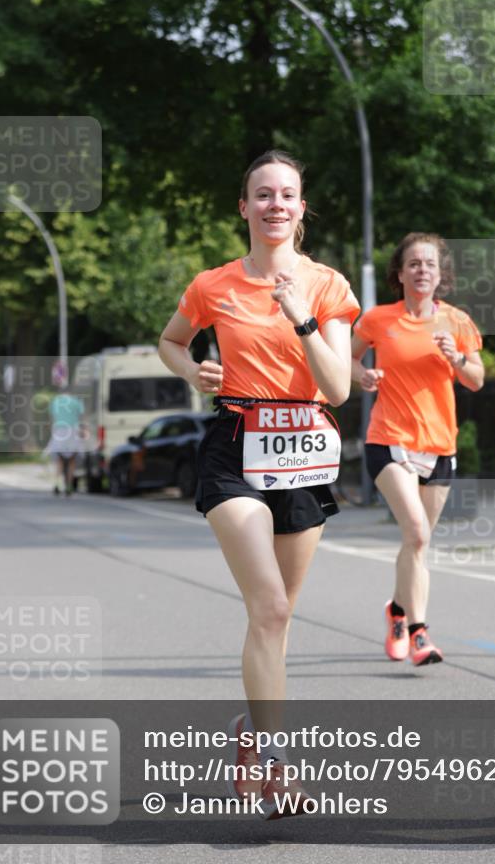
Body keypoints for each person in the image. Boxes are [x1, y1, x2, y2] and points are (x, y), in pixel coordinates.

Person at [158, 150, 360, 817]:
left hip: (304, 449)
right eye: (262, 194)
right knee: (269, 607)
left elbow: (336, 388)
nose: (276, 204)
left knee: (277, 617)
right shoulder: (213, 284)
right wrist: (192, 370)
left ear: (302, 208)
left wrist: (300, 315)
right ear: (243, 207)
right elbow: (171, 341)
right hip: (235, 447)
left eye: (288, 194)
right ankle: (278, 766)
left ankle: (251, 736)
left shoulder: (327, 284)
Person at [351, 233, 484, 666]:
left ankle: (396, 608)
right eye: (413, 263)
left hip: (440, 444)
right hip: (389, 439)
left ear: (440, 274)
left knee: (417, 544)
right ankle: (419, 633)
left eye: (429, 264)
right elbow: (346, 360)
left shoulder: (457, 323)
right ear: (400, 273)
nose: (422, 270)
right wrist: (362, 377)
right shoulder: (378, 320)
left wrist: (456, 359)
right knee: (417, 531)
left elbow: (476, 379)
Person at [45, 391, 86, 496]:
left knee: (59, 461)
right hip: (73, 432)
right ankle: (69, 486)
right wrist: (83, 430)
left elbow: (51, 419)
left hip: (59, 431)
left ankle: (57, 484)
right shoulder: (77, 402)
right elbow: (81, 418)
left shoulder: (55, 402)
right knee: (72, 461)